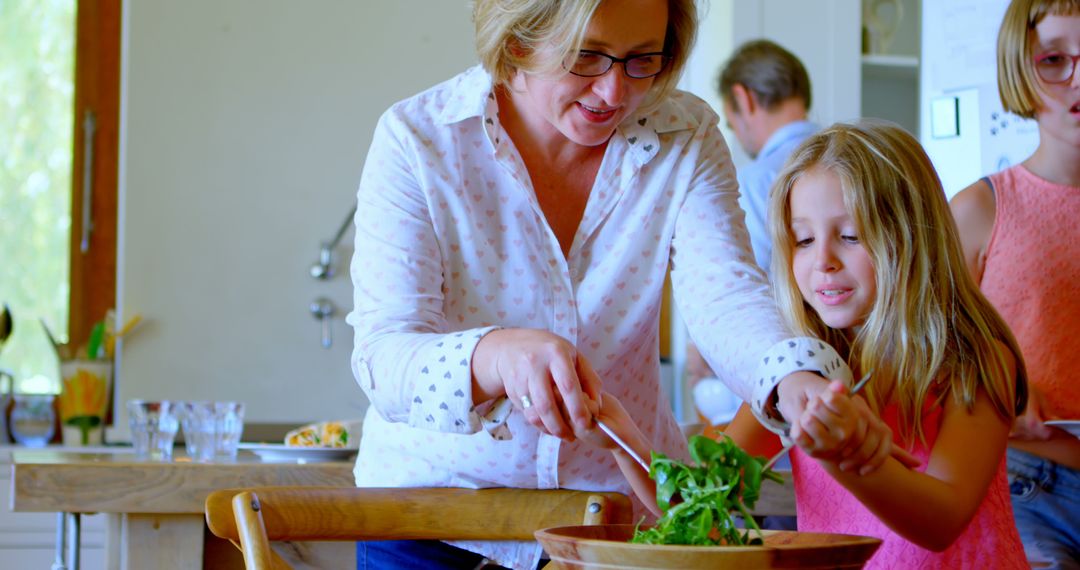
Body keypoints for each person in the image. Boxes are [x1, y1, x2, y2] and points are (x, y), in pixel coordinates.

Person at [348, 1, 895, 568]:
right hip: (429, 522)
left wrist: (792, 375)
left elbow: (725, 293)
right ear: (518, 43)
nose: (614, 92)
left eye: (642, 60)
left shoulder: (685, 133)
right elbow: (384, 356)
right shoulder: (420, 140)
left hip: (613, 521)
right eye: (587, 57)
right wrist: (496, 355)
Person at [726, 120, 1029, 568]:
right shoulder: (798, 369)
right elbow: (703, 488)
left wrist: (842, 456)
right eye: (803, 240)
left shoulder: (976, 358)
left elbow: (941, 521)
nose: (823, 261)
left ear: (913, 237)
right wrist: (621, 440)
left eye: (850, 236)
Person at [949, 0, 1080, 566]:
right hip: (1025, 484)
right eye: (1054, 59)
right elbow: (923, 357)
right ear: (1020, 72)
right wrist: (996, 391)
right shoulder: (982, 210)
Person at [687, 38, 819, 415]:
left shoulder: (757, 181)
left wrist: (705, 354)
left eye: (731, 123)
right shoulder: (855, 159)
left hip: (787, 384)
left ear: (743, 99)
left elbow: (747, 292)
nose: (737, 135)